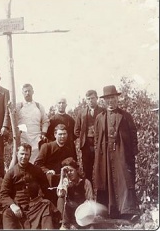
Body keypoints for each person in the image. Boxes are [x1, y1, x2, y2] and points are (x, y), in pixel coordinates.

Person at [93, 85, 140, 220]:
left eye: (113, 98)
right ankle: (109, 211)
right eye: (108, 99)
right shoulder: (100, 117)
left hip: (121, 152)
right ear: (104, 101)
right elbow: (96, 138)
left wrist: (131, 153)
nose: (110, 101)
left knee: (124, 180)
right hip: (105, 154)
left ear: (117, 99)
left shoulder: (125, 116)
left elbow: (133, 135)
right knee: (106, 181)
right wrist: (99, 152)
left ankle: (127, 211)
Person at [0, 143, 59, 229]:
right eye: (22, 154)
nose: (24, 157)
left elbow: (46, 188)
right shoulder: (11, 173)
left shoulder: (36, 170)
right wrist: (12, 205)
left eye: (26, 154)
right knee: (7, 213)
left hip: (34, 207)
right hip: (17, 207)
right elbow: (3, 194)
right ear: (17, 154)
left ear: (30, 155)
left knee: (46, 204)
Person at [34, 124, 77, 205]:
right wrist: (47, 171)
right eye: (60, 134)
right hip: (49, 181)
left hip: (63, 180)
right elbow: (37, 164)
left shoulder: (69, 149)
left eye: (64, 134)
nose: (62, 136)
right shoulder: (47, 147)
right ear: (55, 135)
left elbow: (73, 165)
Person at [74, 90, 104, 183]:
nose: (91, 101)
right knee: (87, 169)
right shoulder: (82, 112)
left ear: (97, 98)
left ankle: (101, 193)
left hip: (100, 144)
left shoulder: (103, 111)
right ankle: (88, 191)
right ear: (86, 100)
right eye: (88, 99)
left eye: (92, 98)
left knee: (101, 167)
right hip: (86, 145)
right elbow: (76, 130)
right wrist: (84, 138)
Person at [16, 83, 49, 163]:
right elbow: (13, 121)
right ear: (22, 93)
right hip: (23, 137)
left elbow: (45, 121)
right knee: (24, 158)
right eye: (25, 91)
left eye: (29, 91)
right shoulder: (18, 106)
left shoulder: (38, 106)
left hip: (36, 137)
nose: (27, 93)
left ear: (33, 92)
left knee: (36, 160)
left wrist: (43, 133)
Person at [56, 157, 93, 229]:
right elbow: (60, 194)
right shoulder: (66, 183)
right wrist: (62, 176)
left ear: (77, 170)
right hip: (69, 218)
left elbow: (90, 201)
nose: (69, 173)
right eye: (67, 171)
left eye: (71, 170)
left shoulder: (85, 182)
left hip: (82, 217)